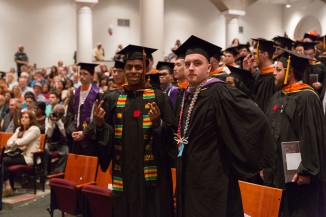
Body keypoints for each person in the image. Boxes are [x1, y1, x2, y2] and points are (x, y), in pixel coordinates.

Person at [172, 35, 273, 217]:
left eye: (197, 63)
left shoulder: (219, 92)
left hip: (213, 177)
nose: (191, 68)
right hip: (188, 176)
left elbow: (257, 119)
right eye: (187, 64)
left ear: (209, 67)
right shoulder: (186, 94)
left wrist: (234, 153)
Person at [91, 44, 176, 217]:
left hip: (153, 175)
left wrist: (158, 124)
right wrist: (100, 124)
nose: (133, 71)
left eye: (138, 67)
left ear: (146, 69)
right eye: (129, 67)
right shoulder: (113, 98)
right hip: (125, 171)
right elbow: (107, 133)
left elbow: (172, 135)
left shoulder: (159, 97)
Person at [266, 49, 326, 217]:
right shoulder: (277, 97)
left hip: (298, 176)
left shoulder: (307, 97)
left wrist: (306, 170)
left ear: (289, 72)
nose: (274, 73)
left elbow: (310, 136)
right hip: (277, 172)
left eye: (278, 69)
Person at [66, 62, 102, 156]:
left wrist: (85, 133)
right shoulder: (74, 93)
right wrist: (73, 131)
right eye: (80, 74)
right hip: (76, 137)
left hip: (91, 138)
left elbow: (98, 117)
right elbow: (69, 115)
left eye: (85, 74)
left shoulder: (98, 93)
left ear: (92, 76)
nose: (82, 76)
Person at [2, 110, 41, 197]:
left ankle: (8, 187)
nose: (23, 119)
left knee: (2, 161)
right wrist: (18, 145)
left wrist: (17, 144)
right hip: (17, 154)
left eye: (26, 117)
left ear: (31, 120)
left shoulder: (35, 129)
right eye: (22, 117)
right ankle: (8, 186)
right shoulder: (19, 129)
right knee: (1, 159)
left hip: (28, 157)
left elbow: (23, 141)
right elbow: (9, 142)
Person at [244, 38, 278, 113]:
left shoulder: (273, 77)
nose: (252, 58)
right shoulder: (258, 74)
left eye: (255, 54)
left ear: (265, 54)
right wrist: (247, 71)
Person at [44, 104, 68, 174]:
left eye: (60, 113)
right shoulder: (48, 119)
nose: (57, 114)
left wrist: (58, 121)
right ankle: (45, 172)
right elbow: (48, 135)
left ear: (63, 114)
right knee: (44, 150)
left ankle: (57, 172)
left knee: (66, 152)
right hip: (50, 143)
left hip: (61, 144)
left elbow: (64, 134)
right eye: (56, 112)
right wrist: (51, 123)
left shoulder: (66, 120)